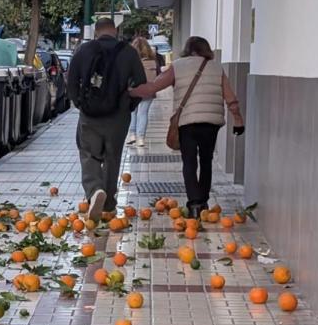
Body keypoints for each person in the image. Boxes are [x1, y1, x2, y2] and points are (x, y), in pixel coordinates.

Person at [130, 36, 244, 218]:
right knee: (206, 161)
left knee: (189, 163)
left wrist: (129, 91)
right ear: (205, 49)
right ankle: (204, 202)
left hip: (187, 123)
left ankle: (194, 205)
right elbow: (231, 98)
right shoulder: (216, 67)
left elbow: (153, 87)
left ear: (187, 49)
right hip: (211, 123)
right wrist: (238, 121)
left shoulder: (178, 65)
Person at [67, 17, 147, 221]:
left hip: (90, 115)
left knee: (88, 153)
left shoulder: (83, 51)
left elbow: (71, 82)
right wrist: (128, 106)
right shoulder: (129, 52)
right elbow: (141, 84)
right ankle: (109, 205)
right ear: (116, 31)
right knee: (112, 158)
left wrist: (80, 104)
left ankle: (94, 191)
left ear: (96, 32)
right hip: (118, 117)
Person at [126, 36, 160, 147]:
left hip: (134, 90)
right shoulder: (153, 61)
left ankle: (132, 135)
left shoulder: (131, 61)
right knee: (143, 113)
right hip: (149, 90)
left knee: (133, 112)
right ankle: (141, 138)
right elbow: (158, 76)